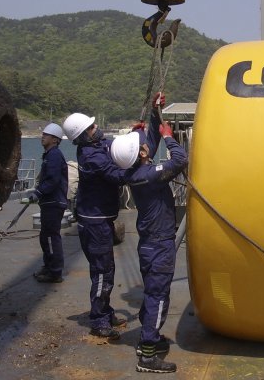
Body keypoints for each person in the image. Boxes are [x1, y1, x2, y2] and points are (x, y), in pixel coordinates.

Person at [62, 99, 163, 340]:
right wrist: (143, 164)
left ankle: (104, 311)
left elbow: (121, 146)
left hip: (100, 217)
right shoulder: (91, 157)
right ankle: (98, 319)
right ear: (83, 137)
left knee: (106, 269)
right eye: (91, 128)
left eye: (94, 125)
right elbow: (118, 175)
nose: (97, 129)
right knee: (102, 271)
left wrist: (142, 127)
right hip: (94, 222)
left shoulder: (99, 145)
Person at [110, 112, 188, 374]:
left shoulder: (135, 170)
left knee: (153, 294)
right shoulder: (149, 175)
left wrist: (155, 114)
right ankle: (147, 353)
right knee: (158, 296)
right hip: (159, 244)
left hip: (149, 244)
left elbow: (145, 145)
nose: (146, 145)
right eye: (142, 145)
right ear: (141, 155)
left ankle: (149, 334)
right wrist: (169, 138)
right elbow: (180, 160)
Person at [29, 123, 68, 283]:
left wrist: (38, 192)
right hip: (49, 202)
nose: (42, 137)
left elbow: (52, 180)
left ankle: (55, 272)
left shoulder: (54, 155)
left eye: (46, 135)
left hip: (53, 202)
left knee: (51, 237)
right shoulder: (49, 154)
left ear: (55, 139)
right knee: (45, 237)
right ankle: (49, 266)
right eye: (43, 134)